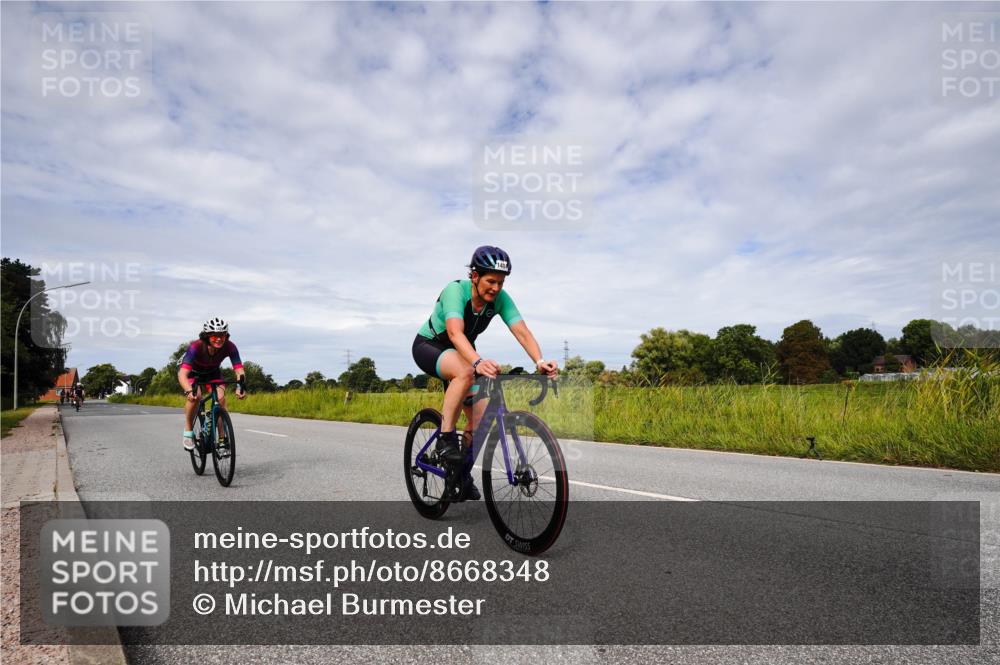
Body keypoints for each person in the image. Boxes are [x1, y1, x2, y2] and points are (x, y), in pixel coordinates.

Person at [412, 246, 558, 501]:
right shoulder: (455, 291)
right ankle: (446, 440)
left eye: (501, 282)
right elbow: (455, 333)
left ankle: (461, 475)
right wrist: (478, 362)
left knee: (479, 421)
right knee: (466, 371)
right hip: (431, 345)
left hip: (465, 353)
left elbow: (522, 332)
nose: (496, 288)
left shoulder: (500, 298)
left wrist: (540, 360)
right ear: (475, 276)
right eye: (491, 281)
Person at [177, 317, 246, 451]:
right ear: (207, 336)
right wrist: (188, 390)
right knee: (196, 396)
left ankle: (222, 440)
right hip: (192, 373)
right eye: (215, 336)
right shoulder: (196, 346)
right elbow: (182, 374)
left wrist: (240, 386)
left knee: (220, 399)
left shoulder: (230, 346)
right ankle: (188, 431)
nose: (219, 339)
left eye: (222, 335)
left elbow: (239, 369)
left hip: (212, 372)